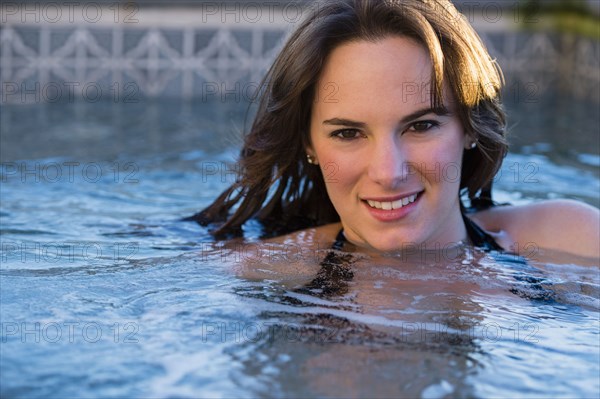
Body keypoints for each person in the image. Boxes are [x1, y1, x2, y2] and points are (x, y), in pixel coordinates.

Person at [187, 0, 599, 260]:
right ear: (307, 143)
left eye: (421, 126)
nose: (388, 172)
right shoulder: (262, 270)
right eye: (347, 133)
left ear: (471, 127)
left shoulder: (571, 241)